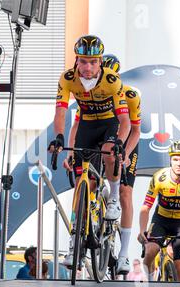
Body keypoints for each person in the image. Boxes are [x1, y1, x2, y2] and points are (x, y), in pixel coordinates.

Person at [48, 35, 131, 266]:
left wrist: (119, 143)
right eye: (83, 61)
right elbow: (61, 113)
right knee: (82, 184)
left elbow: (125, 121)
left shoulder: (112, 80)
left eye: (93, 62)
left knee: (110, 152)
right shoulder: (67, 78)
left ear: (100, 61)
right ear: (77, 61)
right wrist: (60, 138)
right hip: (86, 124)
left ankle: (113, 197)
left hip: (109, 124)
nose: (88, 67)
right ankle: (75, 242)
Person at [65, 54, 141, 274]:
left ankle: (125, 255)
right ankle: (79, 233)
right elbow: (76, 126)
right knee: (85, 182)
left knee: (125, 193)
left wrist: (125, 154)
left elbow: (135, 131)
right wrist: (70, 153)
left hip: (125, 141)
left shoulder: (130, 95)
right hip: (98, 138)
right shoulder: (90, 95)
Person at [138, 141, 180, 282]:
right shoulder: (159, 177)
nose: (179, 163)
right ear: (170, 160)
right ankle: (148, 282)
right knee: (150, 252)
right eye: (175, 159)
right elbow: (146, 207)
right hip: (160, 220)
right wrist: (142, 230)